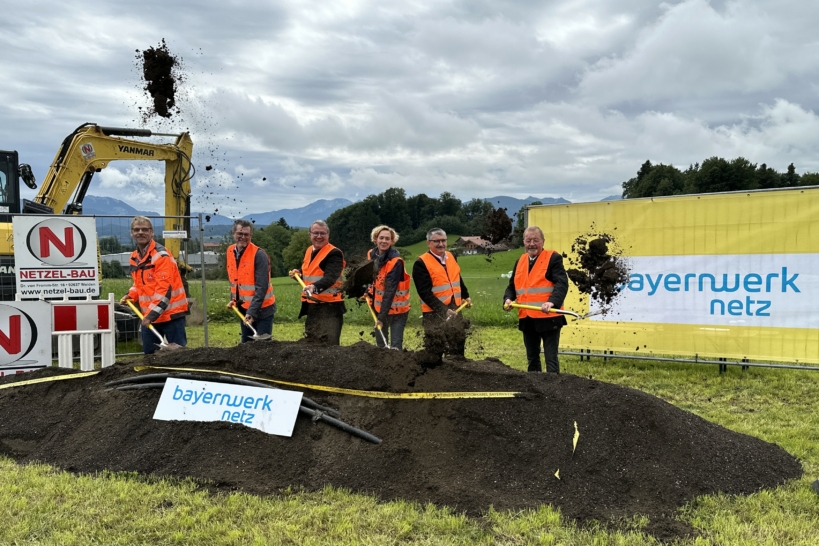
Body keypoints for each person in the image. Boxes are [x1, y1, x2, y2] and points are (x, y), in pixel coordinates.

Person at [503, 226, 569, 373]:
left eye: (535, 240)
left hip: (549, 317)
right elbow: (512, 287)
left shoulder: (553, 259)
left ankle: (552, 389)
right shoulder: (519, 261)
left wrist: (552, 302)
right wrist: (508, 299)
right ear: (524, 242)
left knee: (551, 359)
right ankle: (535, 389)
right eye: (528, 240)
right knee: (532, 359)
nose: (532, 244)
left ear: (543, 242)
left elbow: (562, 283)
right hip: (527, 318)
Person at [121, 216, 189, 354]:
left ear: (152, 232)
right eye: (137, 230)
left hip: (171, 315)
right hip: (150, 316)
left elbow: (164, 291)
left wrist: (150, 315)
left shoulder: (161, 256)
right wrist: (131, 295)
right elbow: (139, 283)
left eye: (145, 229)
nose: (141, 232)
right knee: (150, 357)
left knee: (179, 357)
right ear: (131, 233)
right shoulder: (135, 257)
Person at [412, 228, 472, 353]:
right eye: (436, 241)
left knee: (458, 344)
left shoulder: (451, 256)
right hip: (433, 312)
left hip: (455, 307)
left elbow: (457, 278)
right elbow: (424, 293)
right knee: (435, 350)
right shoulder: (421, 263)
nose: (441, 244)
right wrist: (443, 310)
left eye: (443, 241)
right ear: (428, 243)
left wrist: (466, 295)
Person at [289, 220, 346, 345]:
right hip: (313, 306)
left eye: (322, 233)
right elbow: (310, 270)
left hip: (330, 307)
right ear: (310, 234)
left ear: (328, 235)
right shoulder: (309, 250)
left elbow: (331, 277)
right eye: (315, 233)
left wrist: (314, 287)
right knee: (312, 342)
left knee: (329, 345)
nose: (319, 236)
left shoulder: (334, 253)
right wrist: (298, 273)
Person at [226, 219, 276, 343]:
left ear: (251, 236)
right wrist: (234, 301)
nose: (243, 237)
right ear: (233, 233)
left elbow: (262, 287)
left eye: (246, 235)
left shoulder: (259, 255)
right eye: (240, 234)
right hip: (244, 308)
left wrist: (252, 312)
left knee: (262, 346)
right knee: (246, 344)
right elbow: (235, 280)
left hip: (263, 310)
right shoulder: (230, 251)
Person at [366, 225, 411, 349]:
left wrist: (381, 318)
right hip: (379, 307)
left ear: (392, 241)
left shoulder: (395, 262)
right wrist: (367, 292)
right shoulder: (371, 255)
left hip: (397, 311)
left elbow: (390, 291)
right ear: (375, 239)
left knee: (395, 347)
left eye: (387, 239)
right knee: (381, 345)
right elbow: (371, 278)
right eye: (381, 238)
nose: (384, 241)